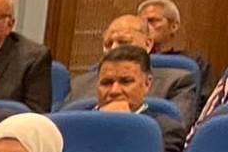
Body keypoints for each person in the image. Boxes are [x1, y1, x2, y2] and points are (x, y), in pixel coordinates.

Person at [65, 15, 199, 123]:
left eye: (123, 42)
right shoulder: (79, 84)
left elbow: (177, 128)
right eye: (108, 44)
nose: (114, 48)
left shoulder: (176, 81)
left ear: (148, 44)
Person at [89, 45, 185, 152]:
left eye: (126, 81)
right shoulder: (76, 123)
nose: (114, 91)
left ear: (147, 84)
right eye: (106, 83)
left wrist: (120, 127)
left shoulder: (165, 130)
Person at [140, 0, 212, 96]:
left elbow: (203, 100)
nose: (145, 27)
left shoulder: (195, 63)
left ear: (173, 26)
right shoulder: (132, 60)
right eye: (141, 22)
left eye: (152, 21)